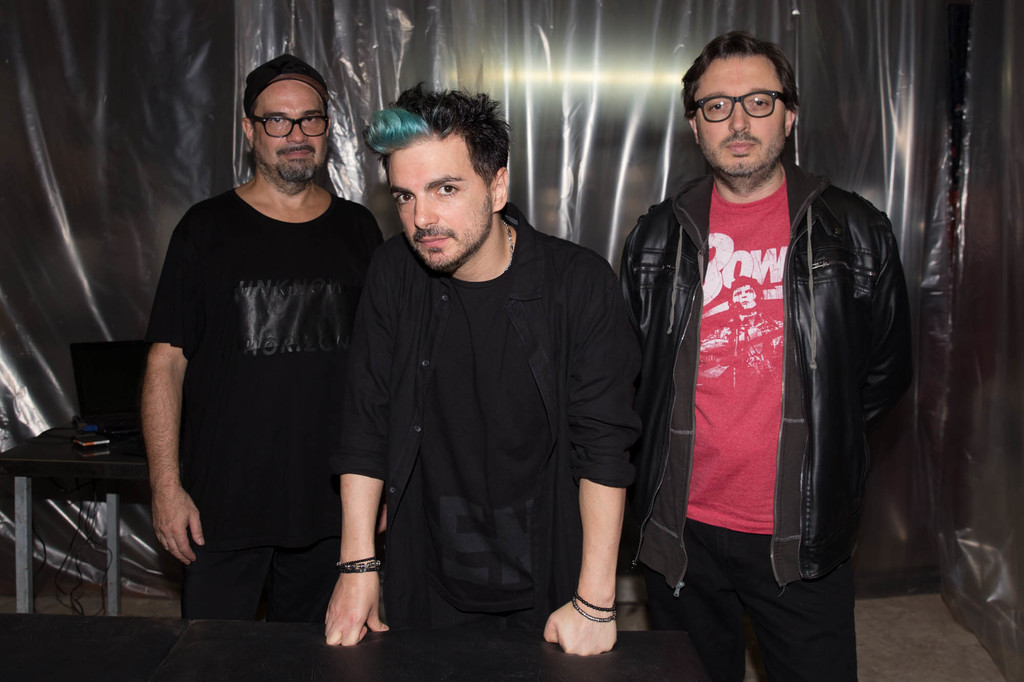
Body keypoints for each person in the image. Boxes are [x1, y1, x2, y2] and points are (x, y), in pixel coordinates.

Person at [619, 31, 912, 681]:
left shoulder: (857, 231)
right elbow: (632, 378)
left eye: (758, 101)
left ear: (790, 114)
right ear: (694, 124)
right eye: (717, 105)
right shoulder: (654, 238)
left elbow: (886, 371)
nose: (739, 121)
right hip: (681, 532)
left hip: (802, 532)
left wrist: (824, 434)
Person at [323, 86, 641, 656]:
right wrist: (358, 566)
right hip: (428, 573)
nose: (421, 219)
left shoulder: (578, 284)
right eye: (405, 196)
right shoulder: (394, 272)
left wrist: (595, 601)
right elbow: (366, 419)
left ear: (497, 187)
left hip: (548, 577)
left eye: (445, 189)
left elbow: (604, 449)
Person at [142, 54, 382, 621]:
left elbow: (381, 373)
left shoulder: (360, 231)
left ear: (327, 128)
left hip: (332, 512)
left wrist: (379, 489)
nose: (296, 134)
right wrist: (166, 487)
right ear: (250, 131)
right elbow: (165, 364)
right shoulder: (204, 229)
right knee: (210, 657)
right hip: (220, 511)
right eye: (277, 120)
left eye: (310, 119)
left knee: (322, 659)